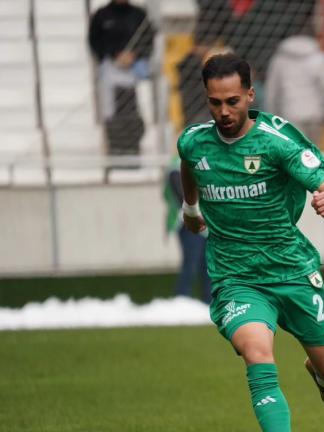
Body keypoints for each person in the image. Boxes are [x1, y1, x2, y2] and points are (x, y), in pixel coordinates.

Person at [177, 53, 324, 432]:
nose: (224, 112)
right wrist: (191, 209)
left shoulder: (277, 141)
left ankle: (321, 374)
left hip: (291, 270)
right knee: (257, 352)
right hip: (236, 278)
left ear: (251, 95)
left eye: (233, 101)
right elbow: (189, 165)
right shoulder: (194, 141)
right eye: (215, 103)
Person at [88, 0, 155, 156]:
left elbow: (148, 40)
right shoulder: (102, 15)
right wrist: (115, 54)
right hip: (112, 65)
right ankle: (114, 138)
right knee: (108, 83)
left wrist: (134, 55)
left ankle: (138, 136)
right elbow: (95, 41)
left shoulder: (139, 14)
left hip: (136, 65)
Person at [264, 24, 324, 144]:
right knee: (313, 150)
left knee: (295, 150)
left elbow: (271, 91)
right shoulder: (319, 58)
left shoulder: (280, 60)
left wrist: (272, 114)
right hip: (315, 111)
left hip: (290, 111)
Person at [164, 156, 212, 303]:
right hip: (188, 223)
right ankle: (182, 300)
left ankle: (209, 301)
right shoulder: (177, 165)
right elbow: (181, 194)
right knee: (191, 263)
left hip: (207, 224)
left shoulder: (205, 161)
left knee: (208, 265)